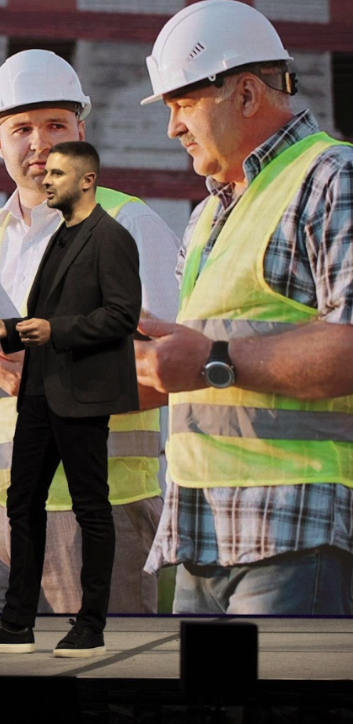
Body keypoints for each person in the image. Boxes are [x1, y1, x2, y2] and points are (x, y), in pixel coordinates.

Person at [0, 51, 179, 621]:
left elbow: (170, 374)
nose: (38, 142)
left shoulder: (130, 228)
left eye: (55, 125)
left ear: (81, 132)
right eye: (21, 128)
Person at [134, 0, 353, 615]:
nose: (172, 127)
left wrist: (209, 359)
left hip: (293, 529)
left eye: (181, 104)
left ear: (248, 95)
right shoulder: (207, 216)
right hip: (201, 538)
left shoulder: (333, 175)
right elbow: (189, 372)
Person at [0, 142, 142, 657]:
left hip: (82, 394)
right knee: (22, 504)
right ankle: (16, 624)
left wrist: (50, 329)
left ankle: (91, 625)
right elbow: (44, 317)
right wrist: (6, 329)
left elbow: (123, 317)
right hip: (36, 394)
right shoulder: (57, 239)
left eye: (58, 173)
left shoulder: (112, 237)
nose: (47, 179)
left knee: (90, 510)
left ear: (87, 180)